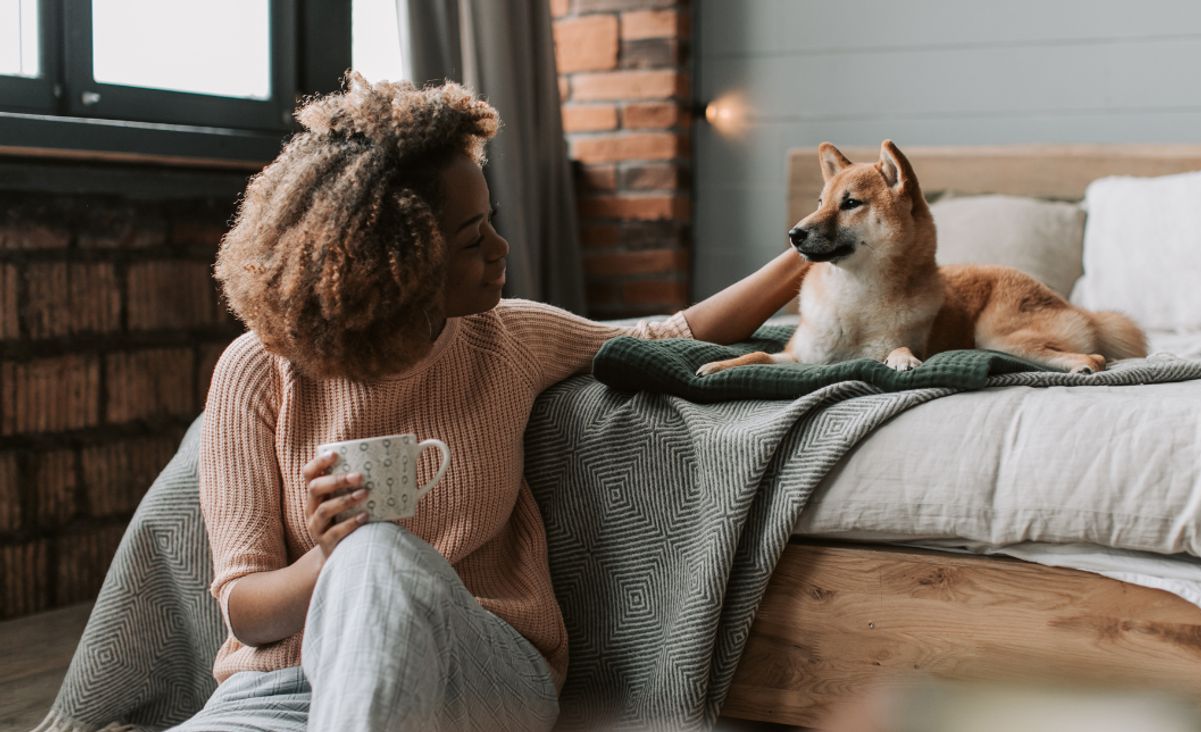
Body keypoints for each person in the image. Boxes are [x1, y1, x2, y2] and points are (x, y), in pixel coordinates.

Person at [175, 73, 809, 731]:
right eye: (473, 239)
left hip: (475, 674)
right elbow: (248, 613)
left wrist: (812, 253)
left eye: (490, 225)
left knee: (379, 556)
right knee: (362, 558)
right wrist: (328, 557)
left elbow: (672, 334)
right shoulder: (257, 371)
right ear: (393, 260)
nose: (500, 251)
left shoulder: (508, 338)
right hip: (283, 691)